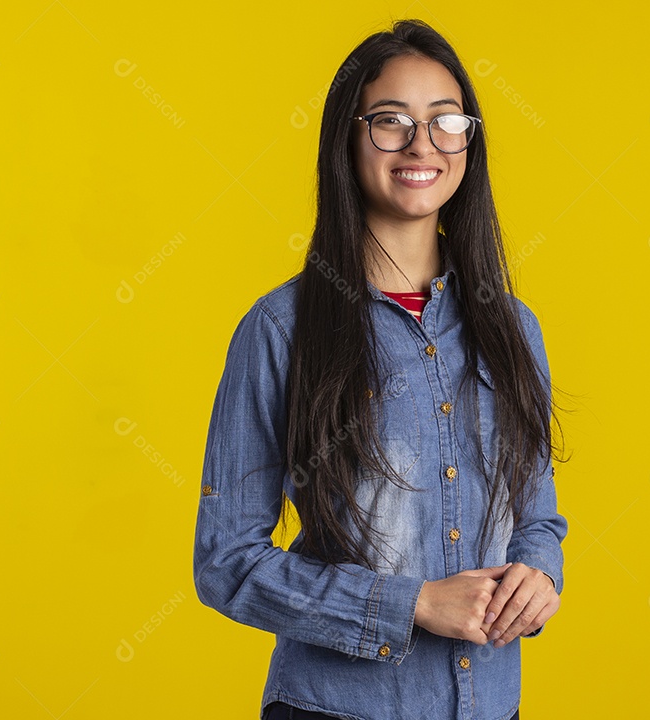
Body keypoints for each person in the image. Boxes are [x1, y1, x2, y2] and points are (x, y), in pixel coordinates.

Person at [192, 18, 568, 720]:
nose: (421, 144)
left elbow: (537, 521)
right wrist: (413, 604)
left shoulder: (514, 328)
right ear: (347, 137)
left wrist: (540, 577)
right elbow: (227, 563)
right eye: (390, 120)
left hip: (492, 705)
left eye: (445, 121)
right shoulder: (279, 331)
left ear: (468, 141)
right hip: (335, 708)